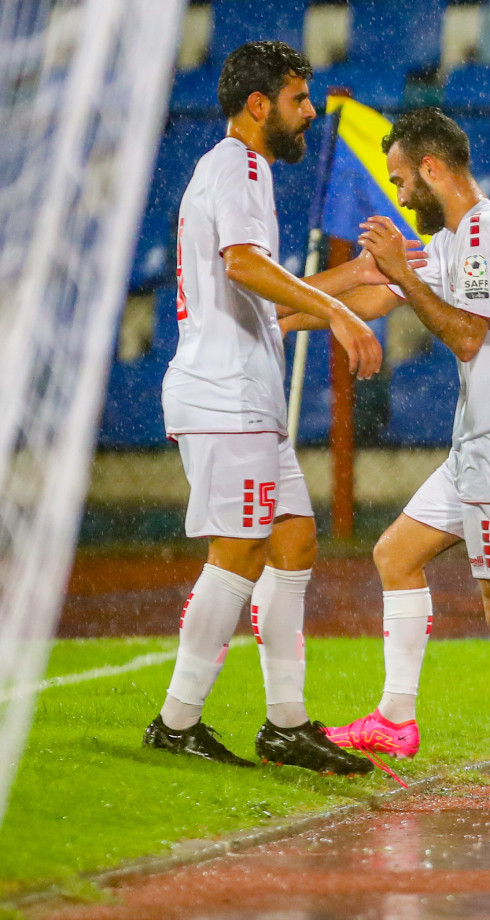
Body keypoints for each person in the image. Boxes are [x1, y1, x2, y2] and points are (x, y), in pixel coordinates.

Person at [288, 108, 490, 806]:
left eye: (402, 179)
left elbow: (464, 336)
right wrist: (281, 308)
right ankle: (396, 719)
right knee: (394, 555)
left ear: (433, 170)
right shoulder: (462, 235)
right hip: (478, 448)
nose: (399, 194)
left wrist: (400, 270)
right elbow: (375, 284)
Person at [146, 40, 390, 776]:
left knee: (293, 544)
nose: (308, 112)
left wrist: (352, 281)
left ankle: (285, 724)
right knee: (240, 553)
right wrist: (342, 315)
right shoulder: (240, 164)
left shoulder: (229, 172)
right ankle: (176, 720)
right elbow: (244, 266)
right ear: (259, 106)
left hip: (243, 393)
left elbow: (259, 306)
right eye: (298, 99)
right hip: (226, 399)